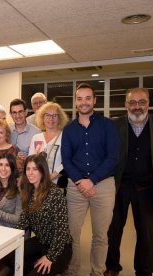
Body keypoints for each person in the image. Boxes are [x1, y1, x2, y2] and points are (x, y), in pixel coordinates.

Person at [105, 88, 153, 276]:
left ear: (148, 103)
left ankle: (143, 271)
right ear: (126, 105)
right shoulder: (114, 125)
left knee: (145, 234)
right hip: (119, 187)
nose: (137, 107)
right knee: (114, 230)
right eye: (132, 103)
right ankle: (112, 266)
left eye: (141, 102)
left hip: (147, 189)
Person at [61, 83, 119, 276]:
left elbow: (113, 157)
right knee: (72, 234)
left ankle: (97, 271)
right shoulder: (68, 129)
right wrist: (80, 181)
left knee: (101, 235)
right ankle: (72, 270)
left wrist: (91, 180)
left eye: (88, 98)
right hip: (75, 186)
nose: (84, 102)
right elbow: (66, 159)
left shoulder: (108, 126)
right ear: (76, 101)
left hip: (102, 186)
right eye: (80, 98)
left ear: (94, 100)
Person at [17, 154, 72, 275]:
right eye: (28, 169)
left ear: (43, 171)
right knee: (10, 256)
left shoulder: (54, 193)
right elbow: (22, 223)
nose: (30, 173)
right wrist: (10, 240)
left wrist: (49, 257)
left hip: (60, 247)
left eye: (35, 169)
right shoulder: (28, 192)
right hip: (41, 242)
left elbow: (61, 231)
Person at [29, 102, 68, 188]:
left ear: (59, 118)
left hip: (58, 185)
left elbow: (67, 163)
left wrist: (48, 178)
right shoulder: (36, 138)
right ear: (42, 118)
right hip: (37, 185)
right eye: (47, 115)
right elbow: (31, 162)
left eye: (55, 115)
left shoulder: (65, 138)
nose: (51, 118)